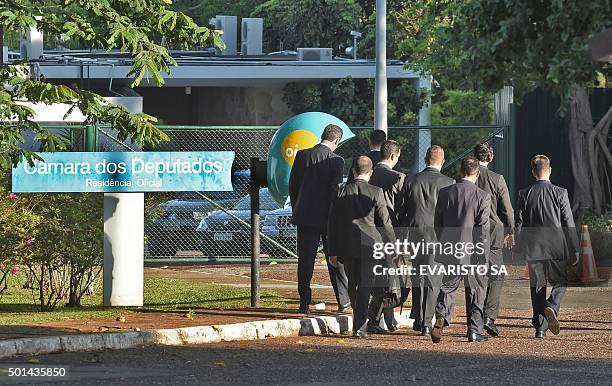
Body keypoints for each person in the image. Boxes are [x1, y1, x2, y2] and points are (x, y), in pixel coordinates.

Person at [328, 156, 396, 339]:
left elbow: (332, 223)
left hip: (347, 244)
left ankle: (358, 321)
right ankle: (360, 326)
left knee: (353, 282)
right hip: (370, 244)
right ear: (371, 172)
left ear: (353, 171)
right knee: (366, 283)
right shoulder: (376, 192)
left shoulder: (341, 191)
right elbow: (385, 223)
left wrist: (332, 250)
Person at [289, 124, 351, 314]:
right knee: (334, 258)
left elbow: (293, 186)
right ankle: (344, 300)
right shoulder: (336, 160)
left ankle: (303, 302)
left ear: (322, 136)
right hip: (328, 218)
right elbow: (334, 192)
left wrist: (297, 208)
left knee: (305, 259)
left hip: (305, 215)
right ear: (336, 141)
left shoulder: (302, 155)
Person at [516, 155, 579, 339]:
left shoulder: (524, 193)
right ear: (549, 169)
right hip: (556, 246)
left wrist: (518, 248)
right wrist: (575, 247)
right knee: (561, 281)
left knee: (537, 286)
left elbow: (519, 223)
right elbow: (568, 222)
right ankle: (551, 306)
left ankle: (540, 327)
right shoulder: (560, 193)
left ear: (533, 172)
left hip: (533, 246)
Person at [431, 157, 491, 343]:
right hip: (472, 250)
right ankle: (474, 330)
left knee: (448, 287)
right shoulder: (482, 196)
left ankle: (441, 315)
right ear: (477, 173)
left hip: (450, 247)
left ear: (460, 171)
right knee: (475, 290)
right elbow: (482, 230)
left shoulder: (445, 193)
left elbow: (437, 223)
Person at [400, 145, 454, 336]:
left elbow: (403, 210)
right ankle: (426, 321)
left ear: (425, 159)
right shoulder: (449, 183)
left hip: (415, 234)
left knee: (418, 277)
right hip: (438, 237)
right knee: (433, 279)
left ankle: (419, 316)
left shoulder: (411, 180)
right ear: (443, 161)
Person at [365, 140, 408, 334]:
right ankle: (375, 317)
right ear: (393, 156)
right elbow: (402, 208)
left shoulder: (369, 175)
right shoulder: (399, 178)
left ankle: (388, 318)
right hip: (392, 233)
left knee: (382, 278)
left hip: (369, 231)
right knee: (397, 280)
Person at [473, 143, 515, 337]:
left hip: (471, 232)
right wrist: (510, 230)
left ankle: (474, 319)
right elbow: (506, 208)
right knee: (496, 274)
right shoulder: (497, 179)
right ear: (490, 157)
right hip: (493, 231)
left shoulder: (465, 177)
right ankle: (489, 317)